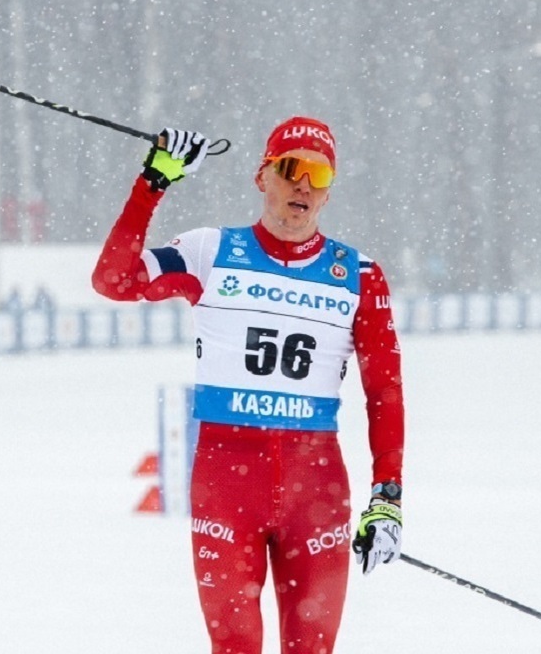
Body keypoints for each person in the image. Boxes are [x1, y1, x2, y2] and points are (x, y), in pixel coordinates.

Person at [92, 118, 405, 654]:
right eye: (290, 168)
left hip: (317, 492)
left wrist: (388, 497)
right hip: (228, 485)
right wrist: (154, 182)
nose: (303, 185)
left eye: (318, 172)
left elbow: (385, 391)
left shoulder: (358, 273)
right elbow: (114, 280)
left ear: (329, 190)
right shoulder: (209, 251)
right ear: (263, 176)